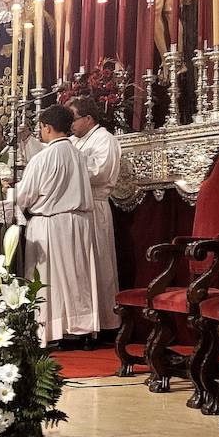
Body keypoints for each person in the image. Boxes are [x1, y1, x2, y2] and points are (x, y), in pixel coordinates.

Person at [15, 105, 99, 347]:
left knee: (49, 279)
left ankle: (51, 331)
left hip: (51, 223)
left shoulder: (43, 158)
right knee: (77, 278)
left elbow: (26, 195)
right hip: (79, 222)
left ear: (47, 127)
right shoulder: (78, 155)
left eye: (41, 127)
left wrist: (9, 191)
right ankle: (80, 330)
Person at [68, 96, 123, 336]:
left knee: (98, 266)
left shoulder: (105, 140)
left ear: (88, 119)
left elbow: (100, 172)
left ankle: (103, 325)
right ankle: (80, 325)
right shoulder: (70, 140)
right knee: (79, 268)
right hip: (74, 210)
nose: (70, 124)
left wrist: (67, 166)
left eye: (73, 119)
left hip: (94, 207)